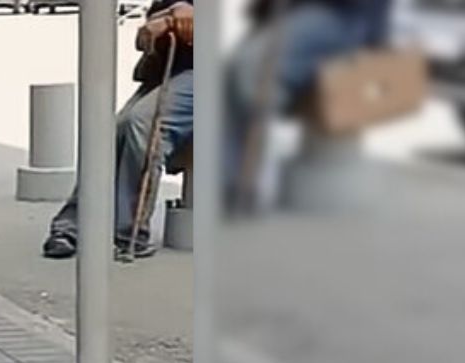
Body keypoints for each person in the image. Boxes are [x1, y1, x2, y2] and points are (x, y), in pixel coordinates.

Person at [42, 0, 194, 260]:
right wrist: (169, 15)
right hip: (179, 66)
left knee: (143, 124)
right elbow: (150, 26)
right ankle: (75, 225)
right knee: (113, 130)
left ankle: (129, 232)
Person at [223, 0, 391, 211]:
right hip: (305, 14)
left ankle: (249, 181)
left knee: (251, 68)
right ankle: (237, 179)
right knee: (237, 69)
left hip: (343, 19)